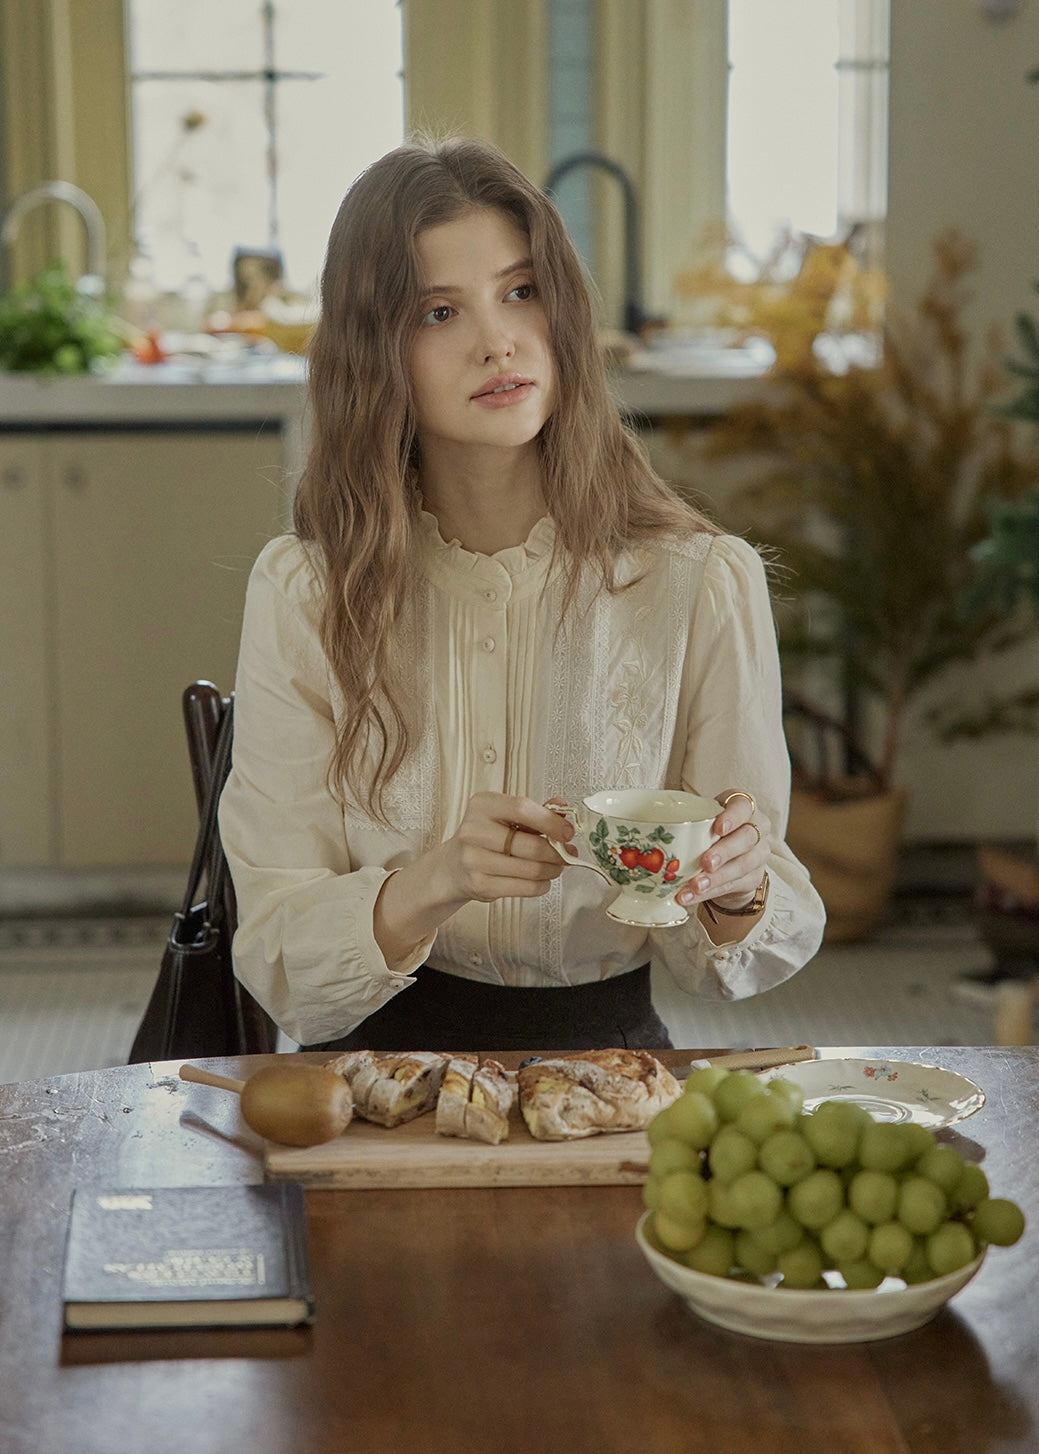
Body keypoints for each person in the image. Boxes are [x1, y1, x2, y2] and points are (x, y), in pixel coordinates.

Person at [218, 136, 826, 1053]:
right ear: (372, 351)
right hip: (368, 1079)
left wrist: (738, 889)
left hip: (614, 1068)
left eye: (519, 291)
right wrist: (434, 880)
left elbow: (739, 959)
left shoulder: (701, 581)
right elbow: (274, 957)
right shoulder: (305, 593)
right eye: (436, 312)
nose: (496, 340)